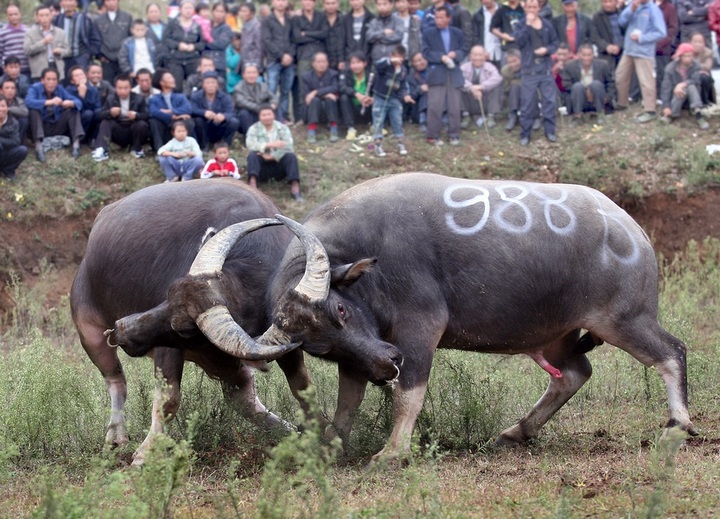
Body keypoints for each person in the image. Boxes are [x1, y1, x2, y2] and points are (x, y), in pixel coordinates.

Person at [513, 0, 559, 146]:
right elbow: (519, 41)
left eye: (535, 7)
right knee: (527, 103)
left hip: (545, 69)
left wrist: (547, 50)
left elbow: (555, 43)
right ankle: (525, 134)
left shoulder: (547, 24)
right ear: (525, 8)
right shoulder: (520, 24)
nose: (532, 10)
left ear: (539, 8)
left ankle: (550, 131)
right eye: (529, 7)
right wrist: (527, 24)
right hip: (529, 70)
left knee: (549, 101)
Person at [615, 0, 667, 123]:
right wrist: (631, 9)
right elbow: (621, 22)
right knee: (620, 76)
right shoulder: (633, 5)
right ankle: (622, 103)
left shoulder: (653, 9)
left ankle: (650, 110)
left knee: (646, 81)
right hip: (629, 49)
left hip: (644, 51)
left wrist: (642, 38)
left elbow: (661, 32)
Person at [422, 6, 465, 146]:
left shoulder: (457, 33)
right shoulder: (429, 33)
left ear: (449, 18)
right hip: (437, 72)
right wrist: (441, 57)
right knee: (435, 105)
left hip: (454, 72)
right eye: (436, 17)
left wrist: (455, 54)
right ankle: (433, 135)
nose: (438, 20)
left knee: (454, 105)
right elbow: (426, 52)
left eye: (441, 17)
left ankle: (454, 134)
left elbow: (464, 49)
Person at [245, 104, 303, 201]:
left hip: (278, 164)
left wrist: (273, 156)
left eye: (269, 114)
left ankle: (295, 187)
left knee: (291, 156)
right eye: (264, 115)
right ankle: (252, 185)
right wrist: (270, 145)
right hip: (261, 166)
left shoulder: (282, 128)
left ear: (273, 115)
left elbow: (288, 146)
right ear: (259, 117)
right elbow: (250, 145)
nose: (267, 117)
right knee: (252, 155)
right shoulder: (254, 129)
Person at [25, 67, 84, 161]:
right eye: (48, 79)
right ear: (42, 80)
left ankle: (76, 145)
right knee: (34, 111)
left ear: (57, 81)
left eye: (54, 79)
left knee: (73, 110)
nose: (51, 82)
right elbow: (28, 102)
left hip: (56, 125)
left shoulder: (60, 89)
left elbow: (78, 102)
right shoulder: (35, 88)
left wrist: (71, 103)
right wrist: (49, 102)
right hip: (41, 126)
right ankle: (38, 147)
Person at [91, 73, 150, 161]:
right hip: (118, 130)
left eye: (126, 88)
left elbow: (147, 115)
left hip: (133, 130)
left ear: (130, 88)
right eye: (120, 88)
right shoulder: (110, 98)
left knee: (141, 124)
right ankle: (101, 149)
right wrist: (110, 112)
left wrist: (136, 115)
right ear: (115, 88)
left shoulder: (139, 98)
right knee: (105, 122)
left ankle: (137, 149)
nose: (123, 91)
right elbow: (99, 115)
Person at [291, 0, 329, 123]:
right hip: (304, 55)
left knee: (323, 84)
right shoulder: (297, 18)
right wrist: (315, 36)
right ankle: (304, 117)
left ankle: (323, 116)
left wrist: (306, 33)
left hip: (320, 53)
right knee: (303, 86)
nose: (307, 3)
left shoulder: (321, 16)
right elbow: (297, 37)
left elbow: (324, 34)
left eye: (310, 1)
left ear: (314, 2)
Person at [371, 45, 411, 157]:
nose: (398, 60)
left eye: (400, 58)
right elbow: (377, 65)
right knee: (378, 122)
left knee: (397, 121)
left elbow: (403, 85)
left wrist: (405, 95)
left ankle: (400, 143)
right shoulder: (385, 64)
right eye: (395, 57)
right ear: (391, 56)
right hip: (380, 98)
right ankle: (378, 145)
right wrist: (390, 61)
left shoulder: (403, 70)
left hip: (394, 100)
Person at [561, 43, 615, 125]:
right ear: (579, 55)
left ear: (593, 55)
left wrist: (607, 97)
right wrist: (586, 91)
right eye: (584, 55)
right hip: (579, 98)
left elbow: (610, 82)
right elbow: (566, 85)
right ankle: (577, 116)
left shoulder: (603, 65)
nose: (586, 58)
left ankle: (600, 113)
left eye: (589, 55)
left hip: (597, 98)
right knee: (577, 86)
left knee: (596, 84)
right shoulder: (569, 66)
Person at [659, 42, 710, 129]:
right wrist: (666, 106)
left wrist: (681, 84)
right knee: (682, 90)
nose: (688, 59)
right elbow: (666, 88)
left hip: (693, 97)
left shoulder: (695, 65)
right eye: (685, 56)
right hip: (676, 97)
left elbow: (695, 80)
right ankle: (672, 114)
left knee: (690, 86)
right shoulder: (670, 68)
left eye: (690, 56)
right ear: (680, 56)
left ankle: (697, 112)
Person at [263, 0, 295, 124]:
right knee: (271, 90)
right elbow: (267, 40)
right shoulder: (267, 20)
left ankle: (284, 117)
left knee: (286, 91)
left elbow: (294, 39)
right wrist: (281, 56)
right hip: (273, 60)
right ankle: (272, 116)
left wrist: (290, 55)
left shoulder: (291, 19)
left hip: (290, 60)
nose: (280, 3)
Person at [162, 0, 206, 91]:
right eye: (186, 8)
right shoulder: (172, 23)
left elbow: (202, 44)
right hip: (175, 60)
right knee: (176, 87)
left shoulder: (197, 25)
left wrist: (194, 47)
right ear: (180, 9)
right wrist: (177, 45)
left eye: (190, 8)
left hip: (192, 60)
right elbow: (165, 39)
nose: (188, 10)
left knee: (194, 87)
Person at [148, 68, 194, 151]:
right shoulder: (154, 99)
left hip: (178, 127)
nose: (173, 79)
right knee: (154, 121)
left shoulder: (180, 97)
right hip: (164, 127)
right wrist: (172, 117)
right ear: (162, 83)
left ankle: (187, 148)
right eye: (169, 78)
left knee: (187, 120)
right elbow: (153, 112)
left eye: (172, 77)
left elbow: (188, 109)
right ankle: (160, 150)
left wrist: (172, 111)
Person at [191, 70, 238, 149]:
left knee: (234, 122)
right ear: (203, 85)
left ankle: (225, 145)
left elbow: (232, 111)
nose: (210, 85)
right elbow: (192, 109)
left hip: (219, 125)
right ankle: (204, 145)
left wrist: (224, 116)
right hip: (205, 126)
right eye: (208, 83)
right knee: (198, 120)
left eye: (213, 83)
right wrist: (204, 113)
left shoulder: (225, 97)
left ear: (217, 85)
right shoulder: (196, 96)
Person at [23, 5, 70, 82]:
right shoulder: (30, 33)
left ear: (51, 16)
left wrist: (60, 51)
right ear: (37, 17)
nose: (44, 18)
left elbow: (68, 51)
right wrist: (43, 43)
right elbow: (27, 51)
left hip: (56, 67)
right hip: (39, 70)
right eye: (41, 15)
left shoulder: (60, 32)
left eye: (47, 15)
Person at [53, 0, 101, 74]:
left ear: (76, 3)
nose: (68, 3)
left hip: (80, 57)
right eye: (65, 1)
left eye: (71, 1)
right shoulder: (57, 20)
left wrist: (88, 54)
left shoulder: (84, 19)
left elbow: (95, 39)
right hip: (61, 58)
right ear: (61, 3)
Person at [460, 44, 502, 129]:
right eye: (475, 55)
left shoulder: (490, 66)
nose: (477, 58)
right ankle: (466, 116)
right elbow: (459, 79)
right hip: (469, 100)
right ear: (470, 56)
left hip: (485, 100)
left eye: (480, 55)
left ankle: (491, 116)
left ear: (485, 56)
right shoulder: (464, 67)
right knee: (458, 87)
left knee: (496, 87)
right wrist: (471, 88)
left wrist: (481, 87)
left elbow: (497, 78)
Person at [302, 51, 340, 143]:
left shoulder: (333, 74)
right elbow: (307, 97)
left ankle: (334, 128)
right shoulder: (306, 76)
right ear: (313, 63)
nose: (321, 64)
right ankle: (311, 130)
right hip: (312, 109)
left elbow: (335, 88)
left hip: (330, 108)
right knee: (315, 100)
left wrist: (316, 92)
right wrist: (325, 93)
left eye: (324, 62)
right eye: (318, 62)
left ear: (328, 63)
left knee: (329, 99)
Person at [95, 0, 133, 82]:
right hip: (106, 60)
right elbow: (96, 39)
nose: (111, 3)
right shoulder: (98, 20)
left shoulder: (127, 17)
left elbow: (131, 38)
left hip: (123, 60)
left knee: (124, 84)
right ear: (104, 2)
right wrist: (100, 56)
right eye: (108, 0)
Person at [234, 63, 276, 135]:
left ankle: (276, 133)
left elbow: (273, 97)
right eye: (249, 73)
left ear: (258, 74)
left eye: (254, 73)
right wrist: (262, 109)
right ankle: (249, 137)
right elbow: (243, 103)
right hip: (249, 114)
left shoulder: (263, 85)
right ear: (243, 75)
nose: (251, 75)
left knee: (276, 109)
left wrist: (273, 104)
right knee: (244, 113)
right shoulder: (238, 88)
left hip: (261, 113)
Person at [339, 51, 373, 139]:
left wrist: (371, 98)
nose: (356, 66)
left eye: (358, 62)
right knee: (344, 97)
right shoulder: (346, 73)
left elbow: (378, 89)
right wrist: (356, 94)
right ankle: (350, 128)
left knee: (378, 99)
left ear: (364, 63)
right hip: (353, 108)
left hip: (368, 107)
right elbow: (342, 87)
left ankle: (375, 124)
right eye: (353, 63)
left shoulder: (371, 74)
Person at [66, 65, 101, 142]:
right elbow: (76, 108)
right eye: (77, 76)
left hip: (91, 119)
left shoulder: (93, 90)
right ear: (72, 80)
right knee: (88, 114)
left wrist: (85, 94)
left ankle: (94, 138)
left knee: (98, 112)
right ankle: (81, 138)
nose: (80, 77)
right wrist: (82, 96)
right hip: (77, 118)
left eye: (81, 74)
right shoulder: (69, 90)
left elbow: (97, 106)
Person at [655, 0, 679, 102]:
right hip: (646, 47)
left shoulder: (670, 8)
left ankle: (663, 98)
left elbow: (672, 29)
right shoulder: (648, 5)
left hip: (663, 48)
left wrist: (661, 43)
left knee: (662, 74)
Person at [0, 94, 28, 180]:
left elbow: (15, 141)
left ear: (7, 108)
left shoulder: (13, 122)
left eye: (3, 106)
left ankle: (8, 170)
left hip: (5, 153)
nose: (0, 109)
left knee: (22, 150)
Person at [591, 0, 624, 71]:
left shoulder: (623, 14)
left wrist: (619, 45)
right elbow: (594, 36)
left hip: (623, 53)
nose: (607, 4)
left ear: (615, 2)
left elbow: (627, 34)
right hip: (605, 54)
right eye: (605, 2)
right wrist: (606, 46)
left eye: (610, 1)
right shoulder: (597, 17)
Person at [205, 3, 233, 78]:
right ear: (213, 11)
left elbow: (221, 44)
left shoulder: (226, 28)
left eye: (222, 11)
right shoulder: (206, 24)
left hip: (219, 63)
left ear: (226, 13)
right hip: (204, 62)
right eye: (217, 11)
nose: (219, 14)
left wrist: (205, 42)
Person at [0, 4, 29, 76]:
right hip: (8, 71)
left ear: (20, 14)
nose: (14, 17)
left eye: (16, 14)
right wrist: (3, 67)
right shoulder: (2, 32)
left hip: (26, 70)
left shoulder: (28, 31)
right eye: (11, 15)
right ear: (7, 16)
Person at [472, 0, 502, 69]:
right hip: (486, 52)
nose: (486, 1)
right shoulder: (478, 14)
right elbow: (475, 35)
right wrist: (481, 51)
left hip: (501, 50)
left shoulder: (503, 10)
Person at [690, 30, 715, 105]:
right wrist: (697, 70)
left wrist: (692, 65)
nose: (697, 44)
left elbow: (707, 67)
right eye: (695, 42)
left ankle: (705, 102)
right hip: (687, 78)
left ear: (704, 44)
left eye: (700, 42)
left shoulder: (708, 52)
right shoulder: (685, 51)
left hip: (703, 78)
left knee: (704, 77)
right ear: (690, 42)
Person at [500, 47, 521, 130]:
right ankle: (513, 115)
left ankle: (535, 117)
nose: (512, 64)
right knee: (514, 88)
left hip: (528, 93)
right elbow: (506, 88)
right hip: (513, 95)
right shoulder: (505, 71)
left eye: (515, 61)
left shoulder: (527, 68)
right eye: (509, 62)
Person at [406, 51, 428, 129]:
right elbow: (410, 96)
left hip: (436, 102)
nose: (421, 62)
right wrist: (420, 89)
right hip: (418, 108)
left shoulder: (434, 72)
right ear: (413, 64)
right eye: (417, 61)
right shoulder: (410, 77)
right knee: (424, 92)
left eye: (422, 59)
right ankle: (423, 121)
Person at [240, 2, 263, 70]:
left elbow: (260, 49)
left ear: (252, 13)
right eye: (241, 11)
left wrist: (257, 66)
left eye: (245, 11)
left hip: (253, 64)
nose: (242, 14)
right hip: (245, 62)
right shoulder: (245, 25)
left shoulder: (257, 27)